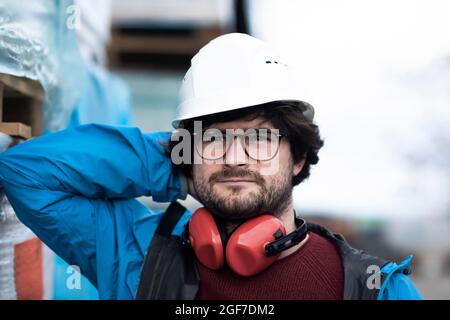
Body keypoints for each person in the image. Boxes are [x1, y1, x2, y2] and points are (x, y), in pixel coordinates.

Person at [0, 33, 421, 300]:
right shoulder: (138, 252)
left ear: (298, 158)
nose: (235, 158)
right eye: (214, 139)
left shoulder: (374, 289)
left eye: (259, 139)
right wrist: (171, 163)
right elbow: (26, 172)